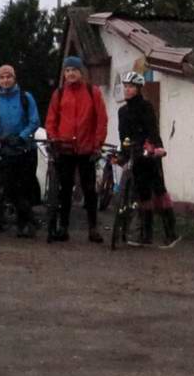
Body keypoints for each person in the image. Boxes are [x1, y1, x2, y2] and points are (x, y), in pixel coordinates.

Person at [45, 56, 108, 244]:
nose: (70, 73)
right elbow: (51, 119)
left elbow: (101, 120)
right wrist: (53, 138)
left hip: (87, 149)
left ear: (81, 72)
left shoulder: (93, 92)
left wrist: (98, 144)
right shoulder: (59, 93)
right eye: (67, 70)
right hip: (64, 148)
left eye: (74, 70)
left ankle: (93, 228)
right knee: (64, 190)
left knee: (89, 190)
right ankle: (63, 227)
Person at [0, 64, 40, 238]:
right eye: (2, 77)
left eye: (9, 77)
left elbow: (34, 121)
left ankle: (23, 224)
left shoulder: (25, 97)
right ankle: (30, 219)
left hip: (26, 149)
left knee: (25, 188)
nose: (6, 80)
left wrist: (22, 136)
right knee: (9, 188)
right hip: (7, 149)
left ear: (14, 78)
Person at [117, 71, 179, 247]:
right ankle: (146, 235)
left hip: (149, 151)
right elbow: (123, 135)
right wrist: (123, 151)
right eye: (126, 87)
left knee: (159, 191)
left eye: (131, 87)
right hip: (134, 153)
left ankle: (171, 233)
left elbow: (152, 129)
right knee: (143, 193)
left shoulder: (146, 107)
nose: (127, 90)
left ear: (138, 89)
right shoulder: (122, 111)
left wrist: (154, 146)